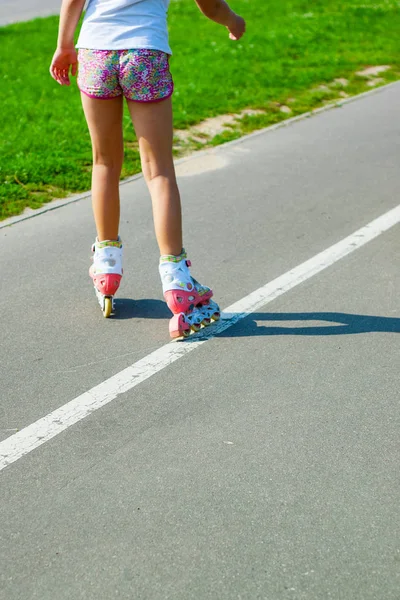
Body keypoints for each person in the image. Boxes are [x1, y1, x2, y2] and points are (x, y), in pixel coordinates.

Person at [50, 0, 245, 336]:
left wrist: (64, 45)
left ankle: (107, 267)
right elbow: (210, 4)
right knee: (158, 171)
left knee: (104, 162)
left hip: (96, 49)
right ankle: (178, 280)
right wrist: (233, 21)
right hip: (145, 53)